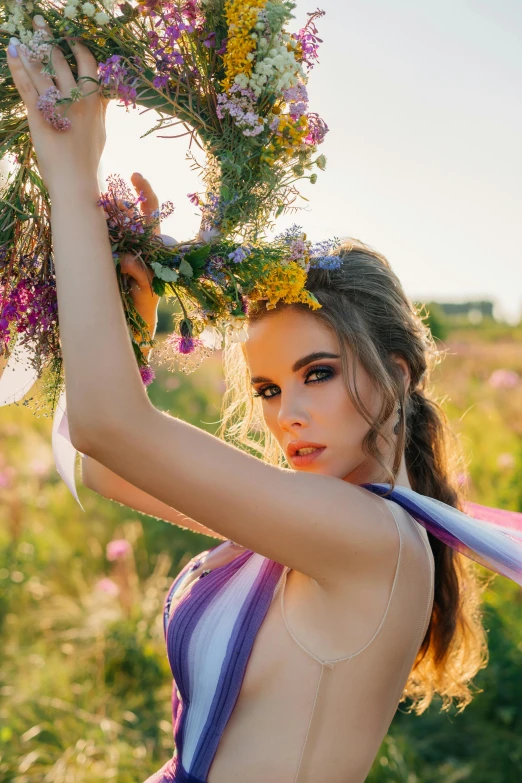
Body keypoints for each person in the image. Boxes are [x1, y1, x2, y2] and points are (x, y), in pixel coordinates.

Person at [5, 26, 498, 783]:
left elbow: (108, 428)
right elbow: (99, 461)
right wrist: (132, 328)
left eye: (318, 372)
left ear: (397, 374)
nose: (286, 414)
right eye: (267, 388)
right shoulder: (319, 519)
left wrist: (73, 179)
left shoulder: (372, 535)